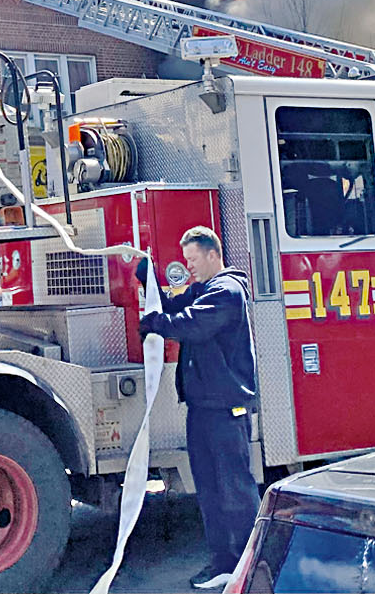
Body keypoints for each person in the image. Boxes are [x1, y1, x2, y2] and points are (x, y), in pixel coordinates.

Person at [137, 226, 259, 589]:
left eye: (193, 260)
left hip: (226, 408)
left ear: (212, 254)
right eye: (186, 260)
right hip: (203, 407)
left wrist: (155, 325)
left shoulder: (227, 291)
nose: (188, 267)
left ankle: (249, 564)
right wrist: (148, 277)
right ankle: (223, 563)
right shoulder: (202, 290)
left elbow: (192, 324)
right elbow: (173, 305)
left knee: (235, 490)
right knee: (209, 489)